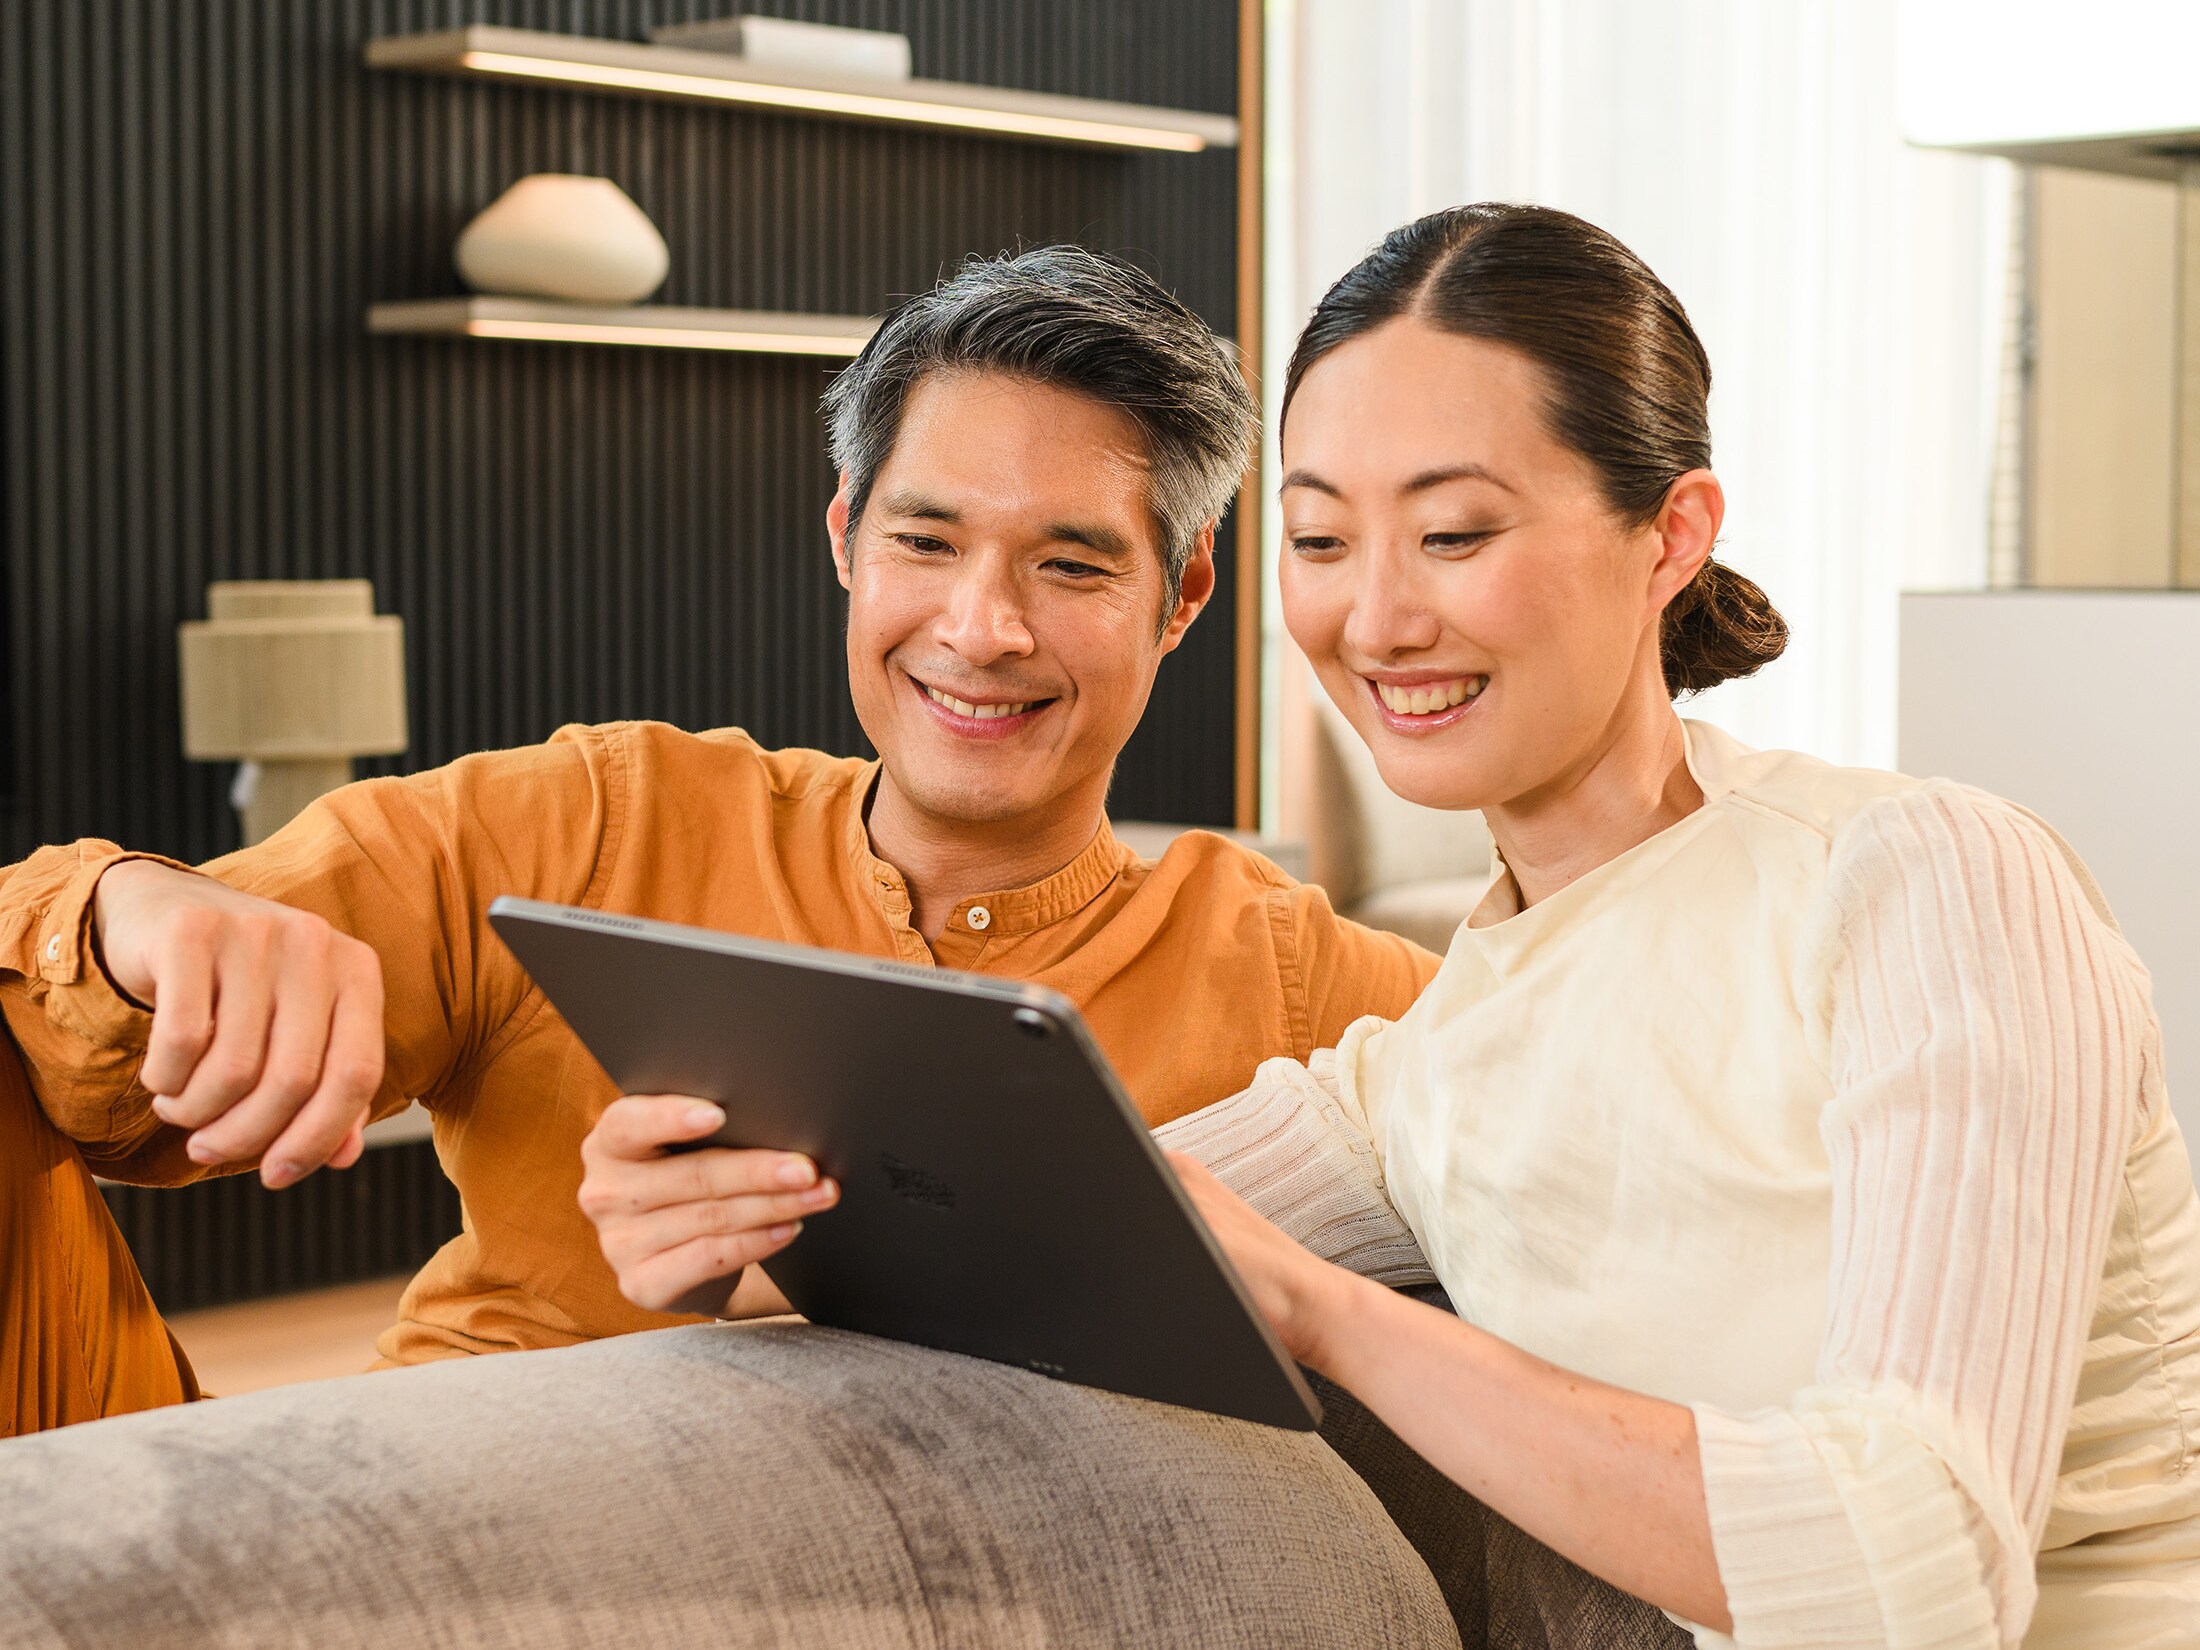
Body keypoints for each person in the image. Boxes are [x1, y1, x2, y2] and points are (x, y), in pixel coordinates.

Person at [0, 246, 1437, 1437]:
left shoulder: (1295, 984)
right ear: (846, 539)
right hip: (399, 1508)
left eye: (1069, 564)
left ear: (1181, 596)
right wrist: (134, 907)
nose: (980, 628)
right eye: (926, 543)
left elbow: (1554, 1110)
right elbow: (89, 1057)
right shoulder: (599, 817)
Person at [1159, 204, 2199, 1647]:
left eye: (1454, 533)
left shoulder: (1923, 880)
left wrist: (1328, 1315)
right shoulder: (1424, 1073)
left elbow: (1916, 1571)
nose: (1377, 618)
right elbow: (1033, 1208)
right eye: (1321, 538)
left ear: (1672, 536)